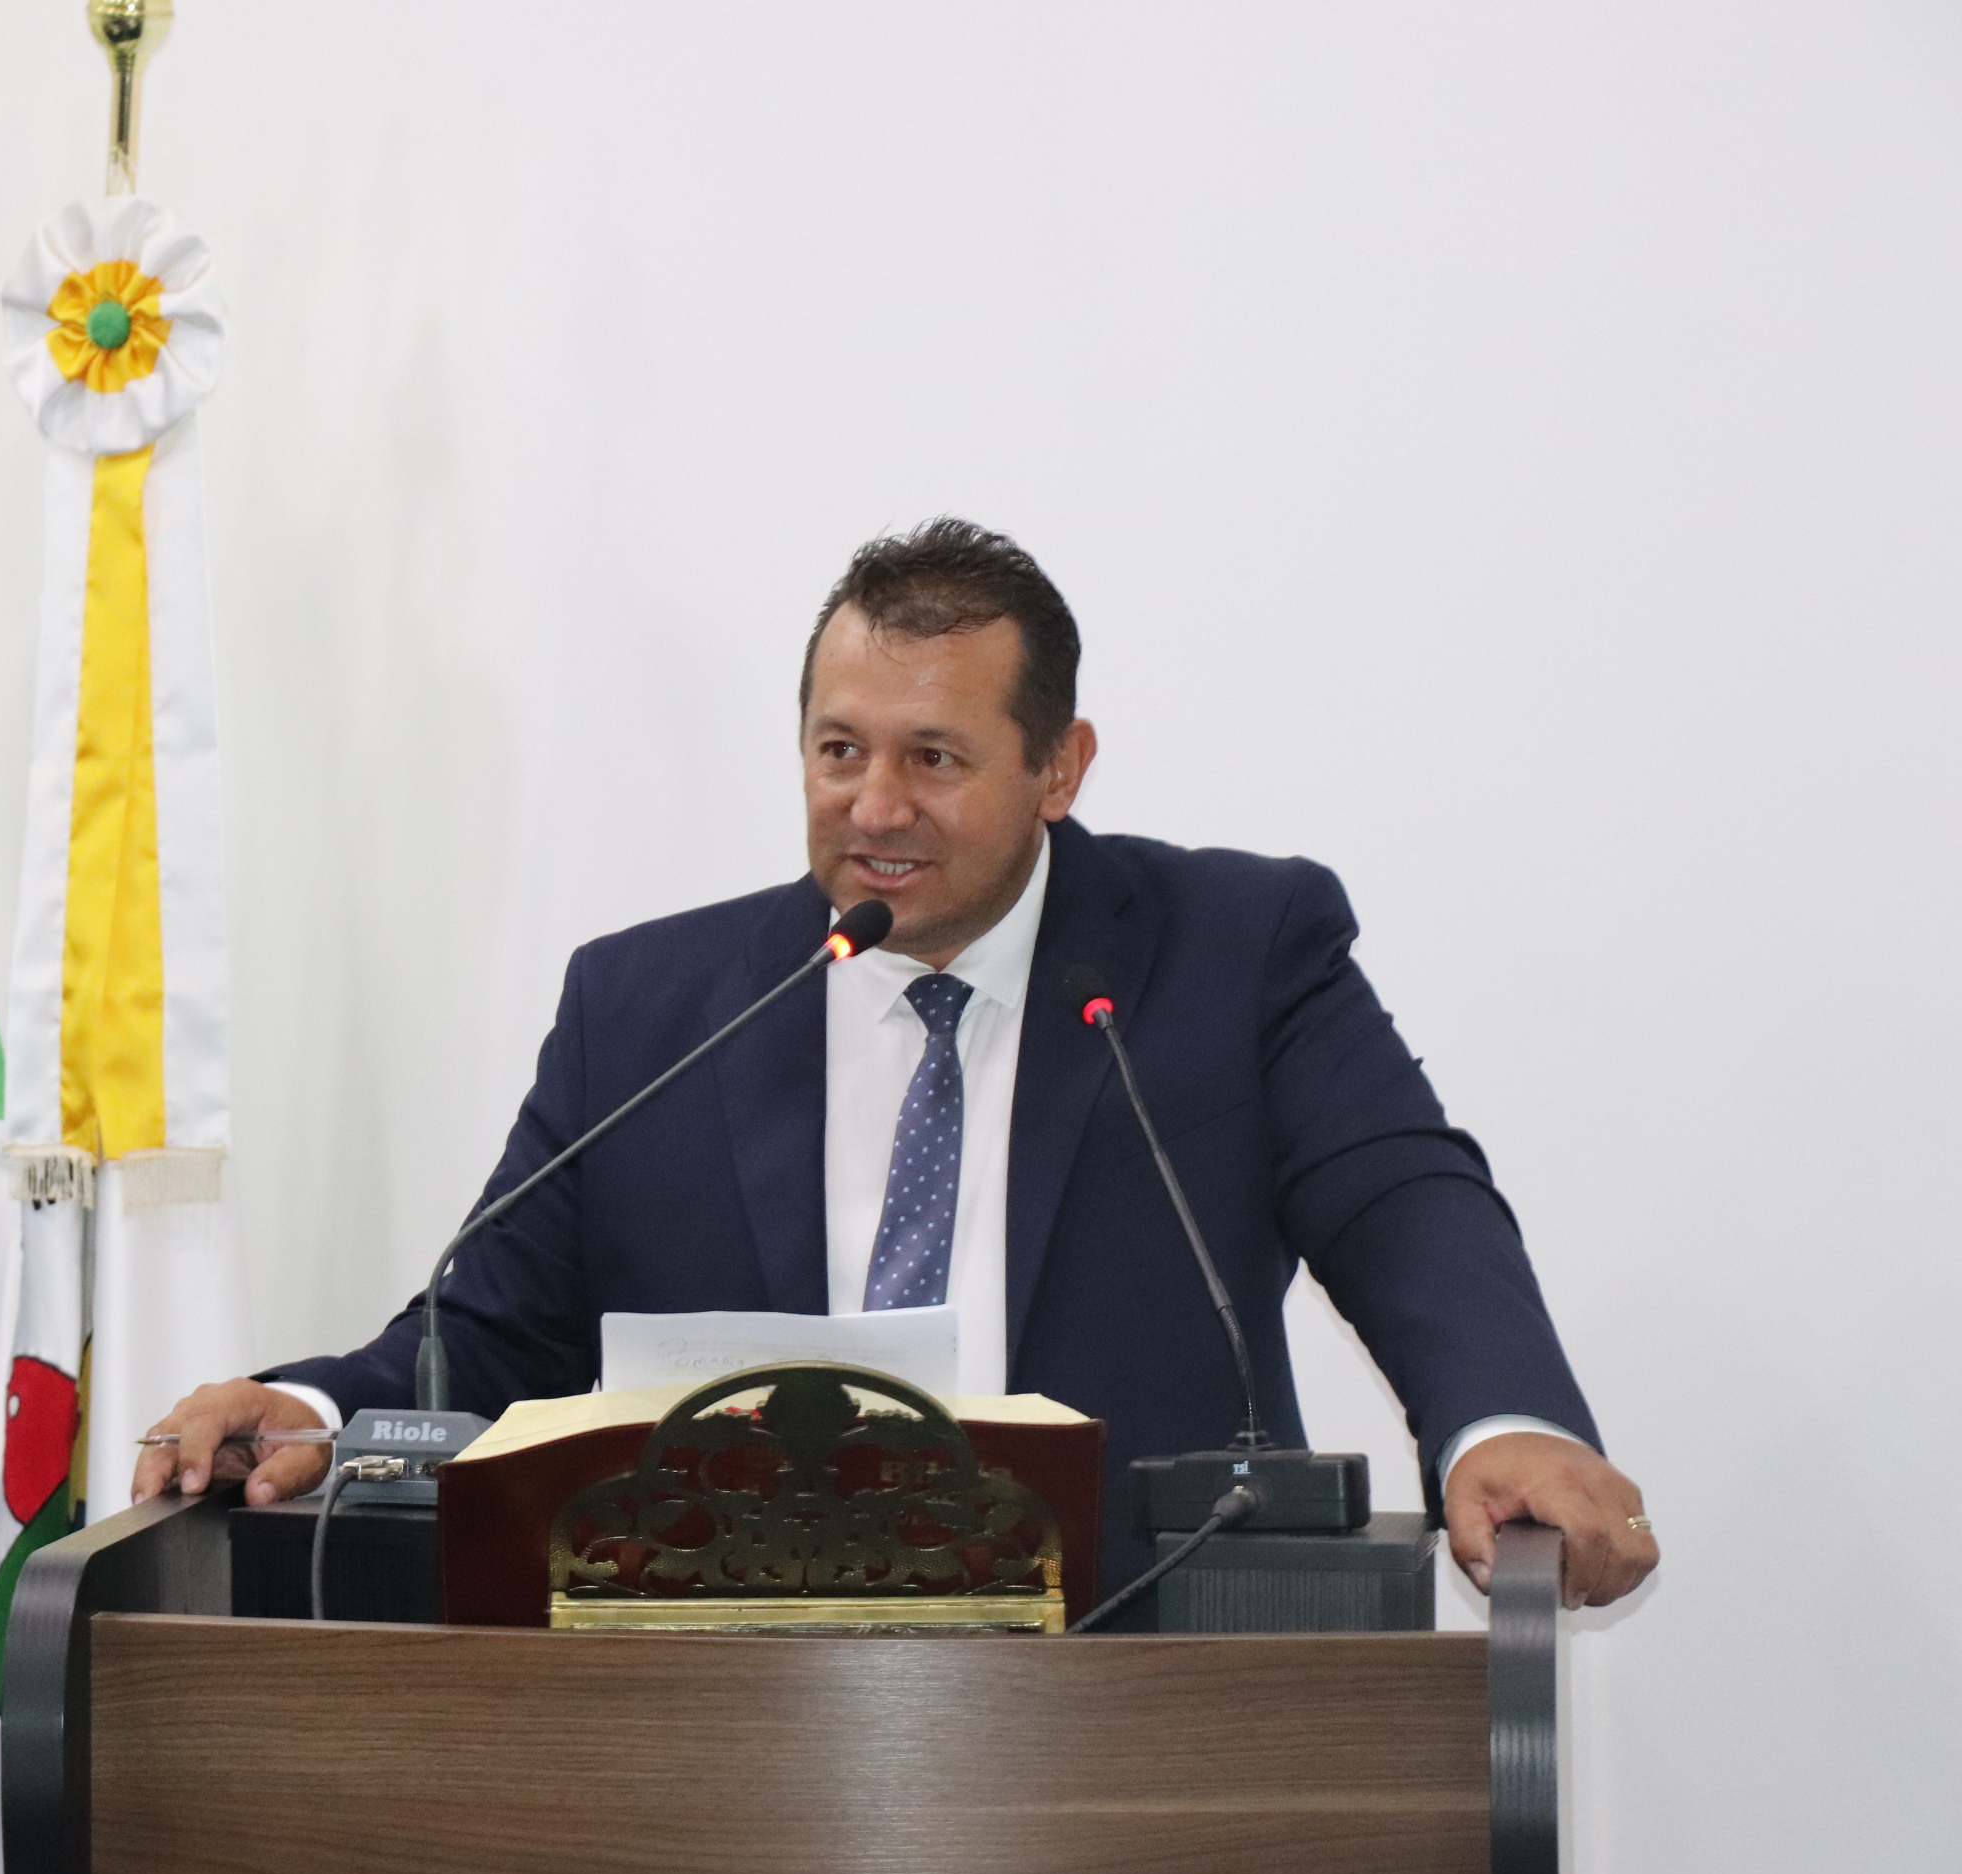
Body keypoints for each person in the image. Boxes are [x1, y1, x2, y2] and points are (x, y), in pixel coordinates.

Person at [138, 519, 1658, 1609]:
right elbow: (494, 1324)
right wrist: (316, 1408)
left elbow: (1401, 1197)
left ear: (1059, 767)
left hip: (1146, 1676)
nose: (875, 807)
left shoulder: (1231, 946)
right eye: (837, 749)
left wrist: (1501, 1418)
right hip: (727, 1704)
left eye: (935, 758)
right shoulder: (655, 1004)